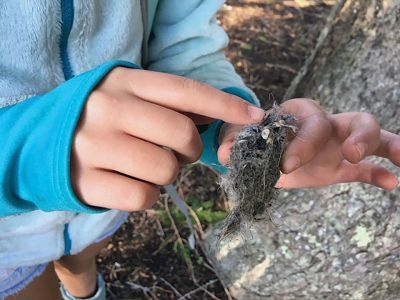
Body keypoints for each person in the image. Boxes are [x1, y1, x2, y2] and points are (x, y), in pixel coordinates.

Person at [0, 1, 399, 299]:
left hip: (103, 211)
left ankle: (84, 284)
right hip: (11, 243)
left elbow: (185, 44)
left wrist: (230, 129)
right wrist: (20, 153)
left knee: (83, 252)